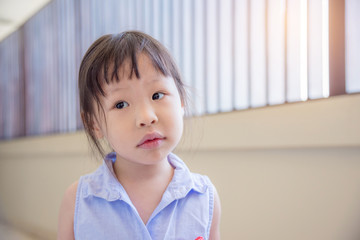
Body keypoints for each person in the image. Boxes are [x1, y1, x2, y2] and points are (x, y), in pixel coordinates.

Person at [57, 31, 221, 240]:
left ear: (181, 101)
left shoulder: (205, 198)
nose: (146, 117)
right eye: (121, 104)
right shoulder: (78, 202)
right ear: (94, 123)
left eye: (157, 95)